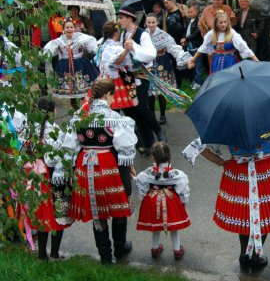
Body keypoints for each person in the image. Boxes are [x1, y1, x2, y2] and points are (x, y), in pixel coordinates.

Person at [182, 132, 270, 270]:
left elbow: (200, 147)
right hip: (265, 169)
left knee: (244, 215)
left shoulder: (227, 120)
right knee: (263, 215)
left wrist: (221, 162)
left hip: (238, 171)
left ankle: (244, 255)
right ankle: (255, 256)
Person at [64, 78, 137, 264]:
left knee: (97, 209)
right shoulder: (114, 118)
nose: (114, 100)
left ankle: (105, 255)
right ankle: (120, 248)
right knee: (119, 203)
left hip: (85, 165)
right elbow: (124, 147)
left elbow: (69, 145)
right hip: (107, 163)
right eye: (113, 96)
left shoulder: (80, 115)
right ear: (107, 94)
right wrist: (129, 165)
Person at [26, 97, 72, 261]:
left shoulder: (30, 131)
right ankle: (54, 253)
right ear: (53, 112)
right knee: (59, 213)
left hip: (37, 178)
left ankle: (41, 255)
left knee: (42, 214)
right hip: (54, 177)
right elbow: (57, 157)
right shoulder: (56, 131)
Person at [116, 6, 166, 155]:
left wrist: (134, 46)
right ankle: (147, 143)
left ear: (130, 18)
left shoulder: (142, 34)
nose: (119, 21)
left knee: (141, 108)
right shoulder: (124, 34)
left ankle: (158, 130)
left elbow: (151, 54)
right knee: (134, 109)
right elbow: (122, 53)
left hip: (142, 74)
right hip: (129, 75)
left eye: (121, 18)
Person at [135, 142, 190, 260]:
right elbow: (182, 189)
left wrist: (144, 195)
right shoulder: (177, 174)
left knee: (156, 225)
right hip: (171, 201)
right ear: (169, 156)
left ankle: (155, 248)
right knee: (174, 228)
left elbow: (141, 183)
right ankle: (177, 250)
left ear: (153, 157)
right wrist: (183, 202)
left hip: (153, 201)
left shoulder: (149, 172)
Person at [145, 13, 191, 125]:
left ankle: (162, 115)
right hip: (147, 64)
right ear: (146, 23)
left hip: (161, 62)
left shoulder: (163, 35)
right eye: (149, 22)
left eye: (153, 22)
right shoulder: (143, 34)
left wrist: (183, 57)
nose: (151, 25)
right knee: (149, 91)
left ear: (157, 22)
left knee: (161, 90)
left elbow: (173, 47)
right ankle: (151, 115)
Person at [43, 18, 98, 109]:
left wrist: (98, 51)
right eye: (67, 27)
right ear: (63, 29)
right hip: (65, 67)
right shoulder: (59, 41)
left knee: (83, 92)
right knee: (71, 94)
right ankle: (76, 111)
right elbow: (49, 50)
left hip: (81, 65)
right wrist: (42, 56)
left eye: (71, 27)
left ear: (74, 28)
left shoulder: (81, 38)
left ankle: (85, 110)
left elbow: (92, 46)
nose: (69, 29)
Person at [188, 10, 258, 74]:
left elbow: (244, 48)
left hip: (230, 62)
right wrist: (193, 60)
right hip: (216, 61)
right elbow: (203, 47)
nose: (223, 24)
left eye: (225, 22)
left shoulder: (232, 33)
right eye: (221, 22)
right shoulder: (212, 33)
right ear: (216, 24)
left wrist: (257, 61)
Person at [94, 21, 137, 110]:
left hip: (104, 76)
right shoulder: (113, 47)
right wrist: (126, 51)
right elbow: (117, 62)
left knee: (108, 105)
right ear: (116, 33)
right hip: (115, 77)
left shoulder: (102, 44)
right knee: (117, 105)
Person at [162, 0, 187, 88]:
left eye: (167, 2)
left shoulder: (182, 9)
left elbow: (187, 24)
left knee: (180, 60)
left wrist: (185, 37)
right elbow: (164, 27)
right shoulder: (165, 13)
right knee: (172, 61)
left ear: (172, 1)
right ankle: (175, 81)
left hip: (181, 39)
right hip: (171, 41)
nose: (165, 5)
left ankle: (183, 79)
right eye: (164, 3)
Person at [181, 2, 204, 90]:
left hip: (196, 46)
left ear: (197, 11)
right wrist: (183, 38)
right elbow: (186, 31)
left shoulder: (199, 21)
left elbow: (196, 34)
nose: (190, 13)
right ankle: (194, 80)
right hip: (189, 45)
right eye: (189, 12)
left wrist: (186, 39)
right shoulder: (189, 21)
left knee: (198, 65)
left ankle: (199, 82)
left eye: (191, 12)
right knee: (192, 64)